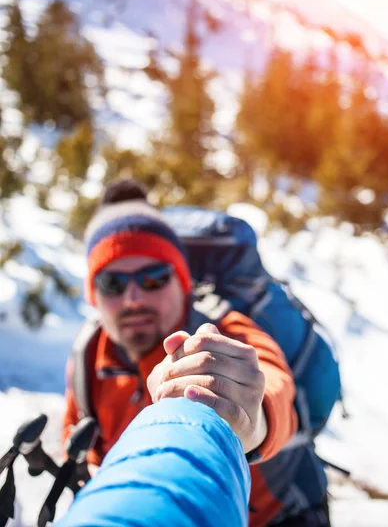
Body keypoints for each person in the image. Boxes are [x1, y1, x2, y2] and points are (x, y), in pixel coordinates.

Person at [63, 178, 331, 526]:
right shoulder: (89, 356)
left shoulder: (226, 329)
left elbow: (273, 384)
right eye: (111, 283)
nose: (133, 299)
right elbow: (76, 437)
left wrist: (249, 418)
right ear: (94, 296)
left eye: (154, 277)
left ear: (183, 281)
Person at [57, 397, 251, 527]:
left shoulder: (216, 345)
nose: (133, 331)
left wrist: (255, 424)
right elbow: (75, 427)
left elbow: (273, 385)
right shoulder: (90, 355)